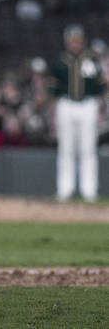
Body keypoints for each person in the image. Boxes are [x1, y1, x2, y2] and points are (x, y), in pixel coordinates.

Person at [50, 24, 106, 202]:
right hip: (66, 104)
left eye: (78, 40)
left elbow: (100, 87)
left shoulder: (92, 60)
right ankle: (64, 189)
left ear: (83, 41)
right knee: (66, 148)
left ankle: (89, 190)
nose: (75, 43)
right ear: (67, 42)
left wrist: (101, 107)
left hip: (88, 105)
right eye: (72, 40)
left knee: (88, 148)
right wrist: (53, 115)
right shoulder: (59, 62)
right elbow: (53, 91)